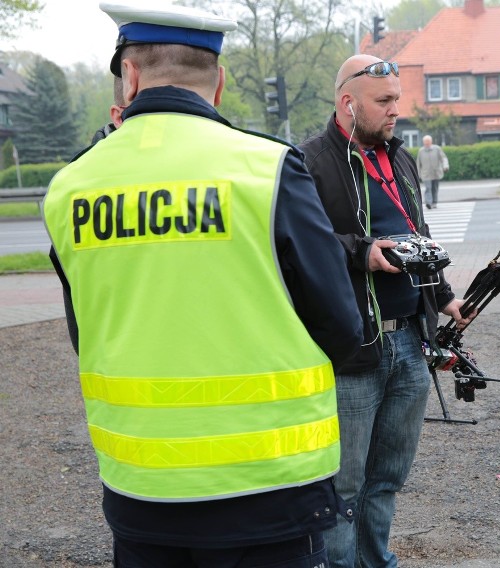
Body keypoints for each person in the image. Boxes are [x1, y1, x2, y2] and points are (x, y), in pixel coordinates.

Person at [41, 2, 363, 566]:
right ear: (219, 85)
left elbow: (83, 330)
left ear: (131, 76)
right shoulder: (266, 169)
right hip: (270, 486)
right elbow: (341, 325)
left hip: (140, 487)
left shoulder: (71, 187)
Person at [300, 55, 473, 568]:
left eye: (397, 98)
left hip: (410, 344)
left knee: (388, 479)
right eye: (384, 101)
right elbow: (299, 248)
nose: (396, 110)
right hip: (353, 346)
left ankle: (376, 562)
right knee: (345, 485)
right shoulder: (308, 162)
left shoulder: (401, 159)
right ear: (347, 103)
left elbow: (415, 237)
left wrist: (443, 298)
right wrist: (363, 251)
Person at [415, 134, 449, 209]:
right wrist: (417, 174)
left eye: (428, 141)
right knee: (428, 188)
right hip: (426, 174)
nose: (427, 143)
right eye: (425, 142)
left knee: (435, 188)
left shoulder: (437, 149)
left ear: (431, 141)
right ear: (423, 142)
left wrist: (445, 166)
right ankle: (428, 203)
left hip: (436, 173)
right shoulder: (421, 151)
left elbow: (443, 158)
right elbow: (418, 163)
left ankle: (434, 202)